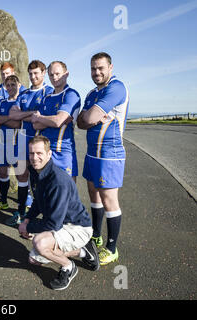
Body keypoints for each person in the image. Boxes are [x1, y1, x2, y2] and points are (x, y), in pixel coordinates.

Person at [18, 136, 99, 290]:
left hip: (77, 227)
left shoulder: (57, 181)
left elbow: (53, 223)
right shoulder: (35, 172)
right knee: (34, 260)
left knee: (40, 244)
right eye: (31, 153)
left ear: (49, 155)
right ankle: (83, 251)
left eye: (39, 153)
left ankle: (69, 267)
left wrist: (28, 228)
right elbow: (37, 202)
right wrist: (27, 220)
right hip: (61, 224)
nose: (35, 158)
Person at [77, 52, 129, 265]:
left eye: (100, 68)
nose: (96, 72)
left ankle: (112, 247)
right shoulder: (91, 93)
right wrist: (91, 118)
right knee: (93, 194)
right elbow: (80, 122)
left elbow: (87, 117)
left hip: (110, 154)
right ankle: (96, 236)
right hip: (92, 152)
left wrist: (90, 117)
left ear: (110, 67)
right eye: (93, 69)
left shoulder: (116, 88)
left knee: (109, 200)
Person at [6, 60, 54, 226]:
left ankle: (44, 216)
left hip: (39, 142)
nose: (33, 77)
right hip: (22, 140)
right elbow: (13, 114)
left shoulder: (49, 92)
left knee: (40, 181)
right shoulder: (24, 94)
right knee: (22, 177)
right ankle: (20, 212)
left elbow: (40, 119)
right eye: (31, 74)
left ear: (43, 73)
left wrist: (25, 115)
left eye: (36, 73)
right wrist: (33, 112)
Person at [31, 61, 80, 182]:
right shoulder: (47, 98)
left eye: (58, 74)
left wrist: (40, 117)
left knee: (65, 195)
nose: (54, 78)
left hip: (62, 151)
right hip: (46, 152)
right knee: (47, 194)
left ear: (66, 74)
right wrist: (52, 119)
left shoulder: (71, 94)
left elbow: (58, 121)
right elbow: (35, 124)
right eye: (51, 75)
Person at [0, 62, 27, 210]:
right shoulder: (1, 100)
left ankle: (22, 208)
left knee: (21, 173)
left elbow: (19, 124)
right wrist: (10, 119)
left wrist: (6, 120)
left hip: (18, 141)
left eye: (12, 84)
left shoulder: (23, 98)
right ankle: (2, 200)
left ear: (18, 84)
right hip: (3, 140)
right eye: (7, 84)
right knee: (3, 171)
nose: (9, 86)